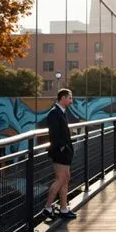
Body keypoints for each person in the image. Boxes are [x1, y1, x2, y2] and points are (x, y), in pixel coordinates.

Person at [43, 88, 76, 220]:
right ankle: (47, 207)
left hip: (65, 152)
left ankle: (63, 209)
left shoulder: (61, 112)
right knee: (60, 179)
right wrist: (63, 147)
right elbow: (54, 134)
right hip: (59, 152)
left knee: (65, 178)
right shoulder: (54, 113)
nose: (71, 100)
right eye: (70, 98)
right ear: (62, 98)